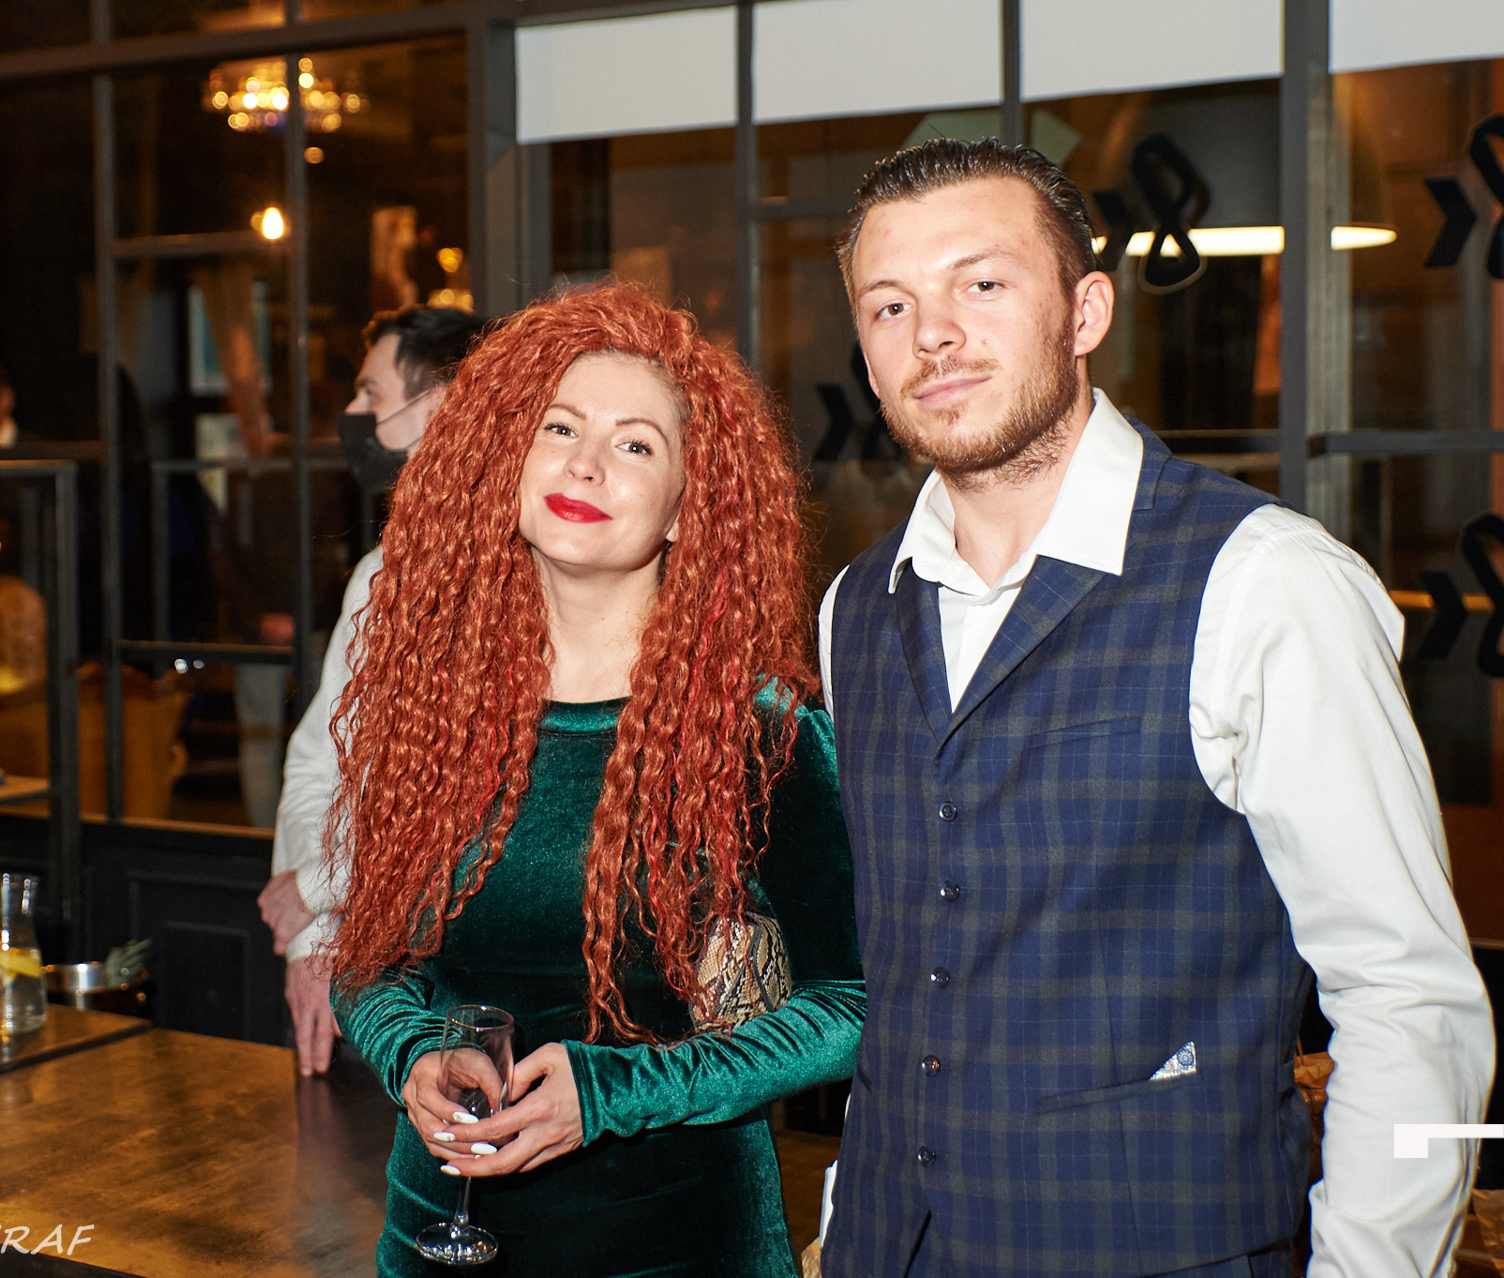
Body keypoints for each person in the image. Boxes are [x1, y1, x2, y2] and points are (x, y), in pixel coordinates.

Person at [817, 138, 1491, 1277]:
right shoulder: (852, 608)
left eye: (982, 284)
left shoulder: (1267, 581)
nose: (932, 335)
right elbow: (905, 985)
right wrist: (848, 1218)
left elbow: (1414, 1001)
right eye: (890, 306)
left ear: (1086, 312)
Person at [329, 284, 865, 1276]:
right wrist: (415, 1052)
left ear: (686, 510)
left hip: (676, 1242)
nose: (585, 463)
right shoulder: (437, 706)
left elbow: (853, 1005)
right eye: (560, 428)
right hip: (438, 1232)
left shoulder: (759, 731)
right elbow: (369, 959)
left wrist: (613, 1092)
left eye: (636, 445)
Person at [259, 304, 489, 1075]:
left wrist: (315, 889)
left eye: (370, 393)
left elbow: (485, 800)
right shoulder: (377, 574)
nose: (353, 414)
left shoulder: (528, 570)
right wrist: (315, 938)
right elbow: (318, 761)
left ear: (440, 405)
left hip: (475, 987)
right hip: (368, 978)